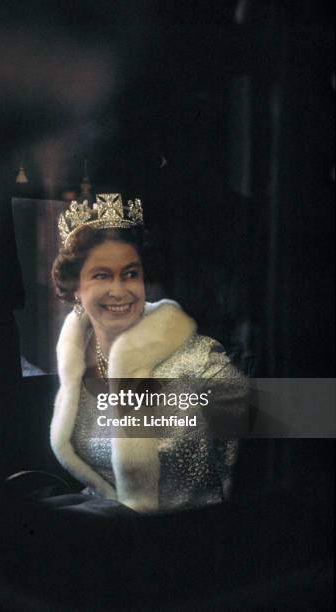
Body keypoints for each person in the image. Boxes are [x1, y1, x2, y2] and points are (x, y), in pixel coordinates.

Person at [50, 193, 248, 513]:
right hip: (95, 530)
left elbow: (277, 434)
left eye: (130, 274)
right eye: (101, 275)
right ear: (76, 288)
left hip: (177, 537)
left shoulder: (199, 360)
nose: (119, 290)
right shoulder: (75, 359)